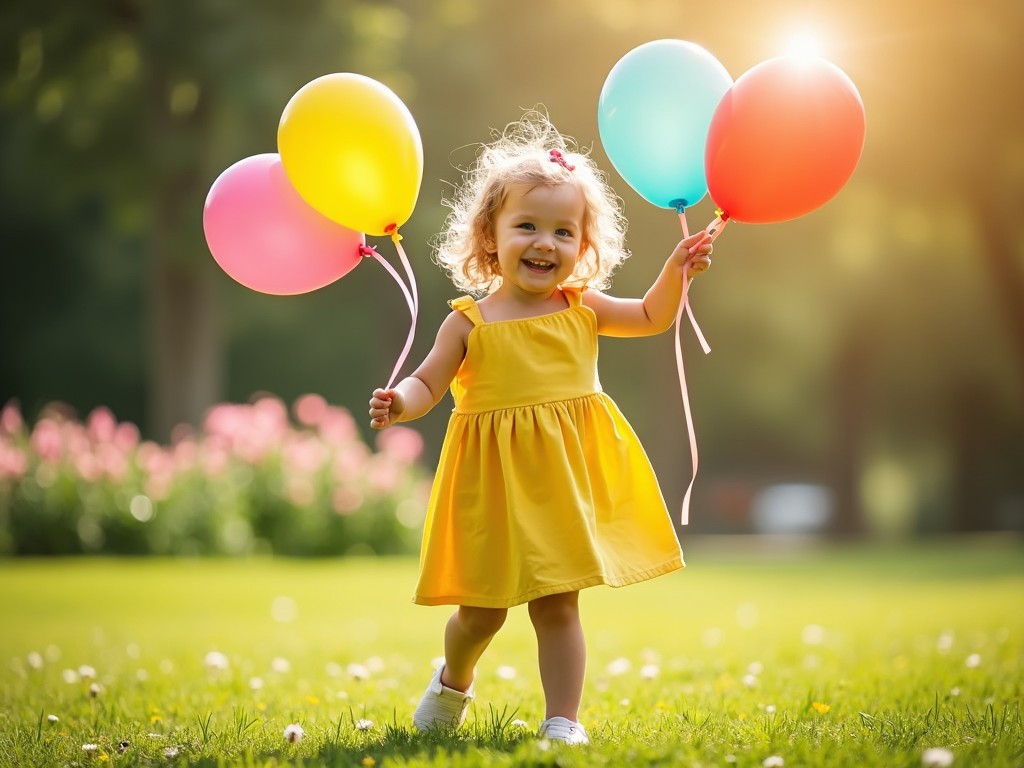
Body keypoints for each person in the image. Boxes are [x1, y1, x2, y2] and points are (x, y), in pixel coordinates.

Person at [368, 112, 712, 745]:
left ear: (583, 245)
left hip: (559, 482)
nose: (544, 243)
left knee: (558, 601)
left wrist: (676, 271)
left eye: (563, 231)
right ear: (490, 236)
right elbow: (429, 383)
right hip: (494, 485)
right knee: (481, 614)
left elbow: (649, 316)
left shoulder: (581, 307)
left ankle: (562, 721)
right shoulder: (468, 321)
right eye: (526, 226)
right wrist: (401, 402)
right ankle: (453, 681)